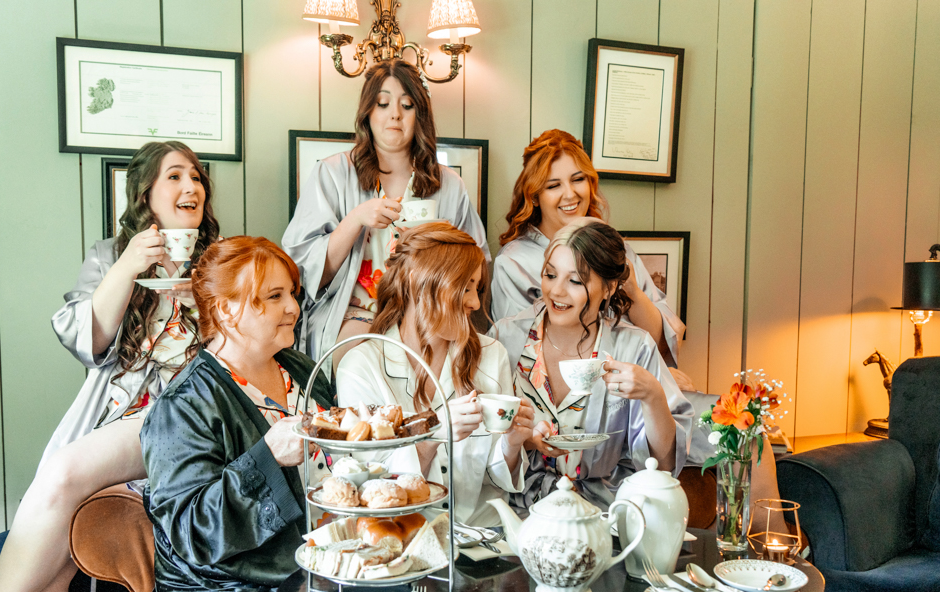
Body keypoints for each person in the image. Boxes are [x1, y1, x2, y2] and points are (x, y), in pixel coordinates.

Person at [0, 141, 219, 592]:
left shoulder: (221, 260)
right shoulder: (112, 255)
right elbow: (89, 340)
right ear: (146, 193)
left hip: (186, 429)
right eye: (175, 176)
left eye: (197, 177)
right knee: (52, 569)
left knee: (59, 473)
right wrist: (131, 264)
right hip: (113, 429)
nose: (191, 187)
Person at [142, 236, 333, 592]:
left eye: (292, 294)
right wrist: (268, 456)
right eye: (274, 296)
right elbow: (192, 531)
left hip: (315, 564)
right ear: (226, 310)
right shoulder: (183, 407)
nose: (293, 308)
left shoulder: (303, 370)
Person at [282, 59, 489, 373]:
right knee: (359, 362)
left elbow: (478, 267)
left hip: (430, 318)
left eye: (407, 105)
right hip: (355, 315)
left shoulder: (449, 185)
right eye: (383, 104)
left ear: (420, 115)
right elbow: (303, 271)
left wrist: (443, 247)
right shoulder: (333, 173)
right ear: (368, 112)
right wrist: (355, 220)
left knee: (468, 362)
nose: (395, 114)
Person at [336, 223, 535, 527]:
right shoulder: (361, 367)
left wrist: (513, 442)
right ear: (418, 283)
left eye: (476, 288)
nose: (475, 303)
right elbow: (369, 489)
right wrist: (433, 435)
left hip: (482, 542)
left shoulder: (491, 355)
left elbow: (497, 478)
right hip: (400, 540)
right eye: (464, 288)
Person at [490, 220, 694, 511]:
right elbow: (477, 445)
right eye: (550, 275)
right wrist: (525, 442)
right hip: (513, 510)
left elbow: (662, 466)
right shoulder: (504, 338)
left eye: (575, 281)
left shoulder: (634, 347)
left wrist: (653, 395)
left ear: (609, 287)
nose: (556, 291)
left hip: (603, 515)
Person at [491, 129, 686, 371]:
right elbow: (519, 352)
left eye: (578, 179)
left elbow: (661, 342)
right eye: (554, 185)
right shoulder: (514, 263)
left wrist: (632, 291)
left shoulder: (618, 249)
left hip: (631, 386)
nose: (570, 194)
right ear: (534, 196)